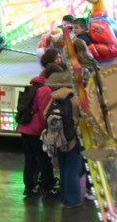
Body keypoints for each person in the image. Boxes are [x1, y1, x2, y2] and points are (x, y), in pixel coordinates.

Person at [16, 51, 60, 201]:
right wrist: (48, 131)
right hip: (36, 130)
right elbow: (44, 113)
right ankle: (47, 187)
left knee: (30, 159)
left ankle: (30, 187)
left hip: (25, 128)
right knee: (44, 159)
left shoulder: (35, 84)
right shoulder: (45, 90)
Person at [42, 71, 85, 208]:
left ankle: (65, 198)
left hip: (59, 139)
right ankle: (73, 200)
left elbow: (45, 115)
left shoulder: (54, 97)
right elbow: (84, 116)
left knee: (63, 169)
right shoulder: (75, 98)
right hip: (72, 138)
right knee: (73, 169)